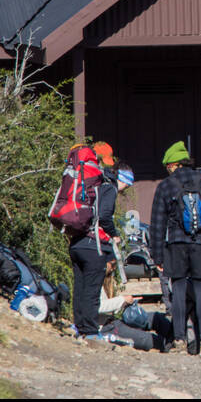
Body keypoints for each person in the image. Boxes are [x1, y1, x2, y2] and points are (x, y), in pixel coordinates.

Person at [150, 141, 201, 356]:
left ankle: (179, 340)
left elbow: (158, 223)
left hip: (177, 244)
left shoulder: (166, 186)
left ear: (173, 164)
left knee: (178, 290)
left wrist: (157, 255)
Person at [68, 144, 119, 343]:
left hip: (76, 242)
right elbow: (105, 215)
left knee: (79, 287)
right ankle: (89, 332)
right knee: (91, 289)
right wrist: (114, 234)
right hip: (94, 244)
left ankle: (78, 326)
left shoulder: (80, 181)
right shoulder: (107, 185)